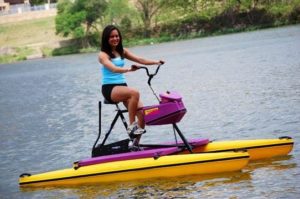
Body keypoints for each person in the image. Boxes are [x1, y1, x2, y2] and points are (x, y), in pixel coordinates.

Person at [98, 25, 164, 144]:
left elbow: (140, 59)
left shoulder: (122, 51)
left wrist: (156, 62)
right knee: (135, 92)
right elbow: (113, 69)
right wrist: (129, 70)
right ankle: (131, 126)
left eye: (117, 36)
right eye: (112, 36)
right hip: (109, 88)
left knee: (143, 115)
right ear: (106, 39)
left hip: (122, 86)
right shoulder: (103, 55)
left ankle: (135, 145)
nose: (115, 38)